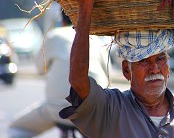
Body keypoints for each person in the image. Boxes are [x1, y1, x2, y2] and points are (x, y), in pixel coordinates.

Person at [59, 0, 174, 138]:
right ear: (127, 70)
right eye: (144, 61)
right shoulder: (111, 109)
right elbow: (78, 81)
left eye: (160, 59)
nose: (154, 69)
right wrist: (85, 6)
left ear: (167, 67)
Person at [8, 10, 110, 138]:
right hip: (94, 112)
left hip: (58, 110)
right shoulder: (96, 39)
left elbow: (40, 68)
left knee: (17, 128)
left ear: (62, 20)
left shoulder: (54, 35)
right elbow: (107, 76)